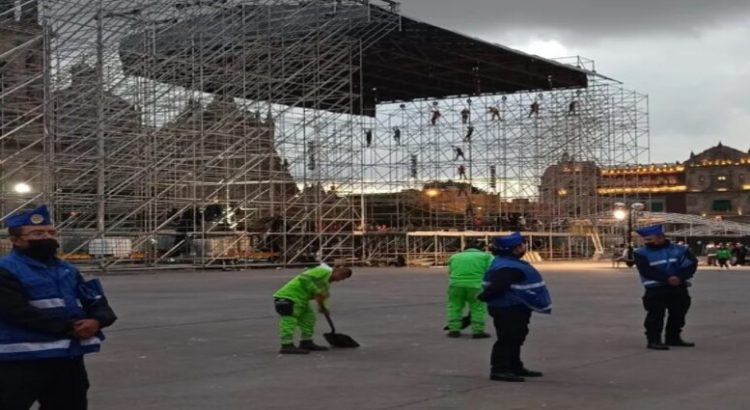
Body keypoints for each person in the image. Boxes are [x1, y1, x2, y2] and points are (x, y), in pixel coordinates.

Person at [0, 205, 117, 410]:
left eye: (51, 232)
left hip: (66, 357)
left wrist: (97, 320)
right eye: (37, 233)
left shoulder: (66, 269)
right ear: (17, 240)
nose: (47, 237)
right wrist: (71, 327)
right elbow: (16, 311)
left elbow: (96, 300)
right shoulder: (6, 269)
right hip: (19, 360)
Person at [478, 232, 551, 382]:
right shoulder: (509, 267)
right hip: (508, 308)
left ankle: (514, 366)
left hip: (515, 307)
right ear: (515, 249)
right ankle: (499, 370)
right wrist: (483, 297)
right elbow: (498, 286)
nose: (524, 247)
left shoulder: (507, 262)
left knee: (517, 337)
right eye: (522, 244)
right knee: (507, 339)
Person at [633, 225, 698, 350]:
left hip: (678, 286)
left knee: (679, 313)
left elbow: (691, 264)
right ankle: (653, 340)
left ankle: (673, 338)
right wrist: (667, 279)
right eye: (646, 240)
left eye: (650, 239)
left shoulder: (681, 250)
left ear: (660, 237)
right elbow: (646, 270)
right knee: (655, 315)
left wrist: (679, 277)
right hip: (655, 288)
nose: (648, 242)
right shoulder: (641, 253)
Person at [273, 264, 353, 354]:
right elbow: (304, 278)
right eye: (341, 277)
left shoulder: (326, 282)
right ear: (337, 272)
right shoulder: (323, 270)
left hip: (301, 300)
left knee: (309, 319)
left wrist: (323, 307)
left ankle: (306, 342)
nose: (339, 280)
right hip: (288, 297)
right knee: (289, 321)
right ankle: (286, 345)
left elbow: (323, 295)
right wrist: (317, 291)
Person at [446, 240, 493, 339]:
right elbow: (492, 270)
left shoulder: (454, 257)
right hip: (476, 285)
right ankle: (478, 331)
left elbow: (450, 271)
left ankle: (454, 330)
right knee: (477, 307)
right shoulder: (486, 257)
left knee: (455, 306)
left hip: (456, 285)